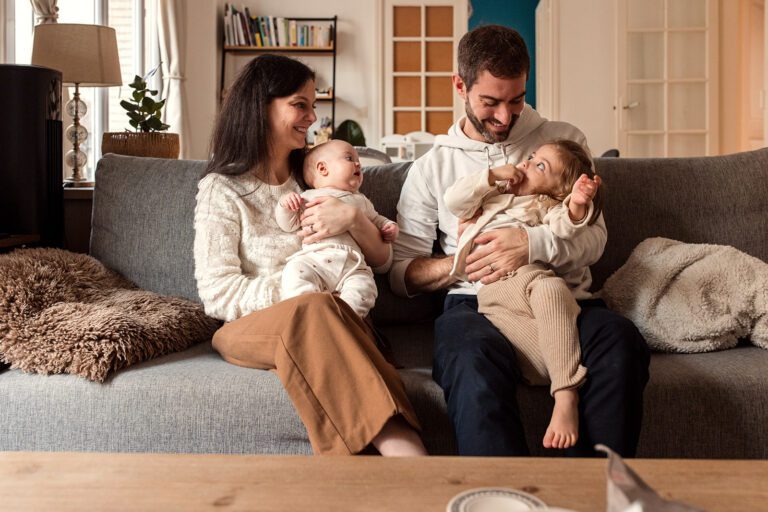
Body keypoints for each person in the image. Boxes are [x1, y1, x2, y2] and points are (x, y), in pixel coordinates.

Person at [391, 25, 650, 457]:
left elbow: (594, 240)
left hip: (565, 297)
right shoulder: (432, 167)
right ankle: (505, 500)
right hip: (475, 303)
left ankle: (592, 494)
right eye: (490, 102)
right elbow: (401, 275)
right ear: (460, 85)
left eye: (516, 100)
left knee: (621, 343)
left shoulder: (562, 143)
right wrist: (459, 263)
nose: (505, 118)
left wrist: (529, 245)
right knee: (469, 363)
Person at [194, 54, 427, 456]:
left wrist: (353, 218)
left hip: (330, 319)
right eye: (299, 105)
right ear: (260, 106)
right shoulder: (223, 189)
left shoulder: (320, 181)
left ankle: (358, 475)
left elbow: (382, 263)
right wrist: (304, 296)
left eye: (313, 106)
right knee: (314, 309)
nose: (312, 118)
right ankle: (408, 456)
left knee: (319, 313)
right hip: (252, 327)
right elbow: (217, 293)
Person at [445, 139, 602, 450]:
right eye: (532, 157)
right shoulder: (493, 196)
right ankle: (562, 383)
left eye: (541, 166)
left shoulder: (545, 206)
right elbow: (455, 200)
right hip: (491, 289)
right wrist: (489, 176)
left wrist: (576, 204)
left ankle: (560, 388)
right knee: (549, 309)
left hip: (528, 281)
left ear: (556, 191)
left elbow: (566, 228)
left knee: (551, 293)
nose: (527, 163)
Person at [276, 140, 398, 318]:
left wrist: (389, 227)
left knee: (365, 287)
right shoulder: (307, 197)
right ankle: (310, 312)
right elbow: (289, 224)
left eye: (358, 161)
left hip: (352, 264)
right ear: (323, 169)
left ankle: (345, 318)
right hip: (314, 260)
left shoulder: (361, 201)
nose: (358, 164)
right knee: (294, 273)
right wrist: (285, 205)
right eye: (349, 158)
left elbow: (378, 220)